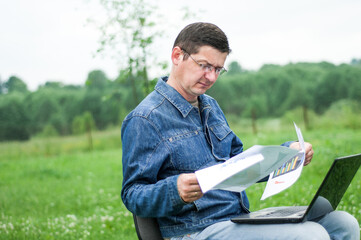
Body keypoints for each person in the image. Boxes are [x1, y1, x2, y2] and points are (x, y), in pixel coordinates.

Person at [121, 22, 359, 240]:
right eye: (204, 66)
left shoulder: (210, 106)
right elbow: (133, 194)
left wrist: (288, 154)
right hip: (195, 231)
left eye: (218, 69)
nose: (211, 77)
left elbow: (241, 165)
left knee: (343, 223)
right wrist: (175, 189)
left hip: (236, 220)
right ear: (177, 55)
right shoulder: (145, 119)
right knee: (310, 235)